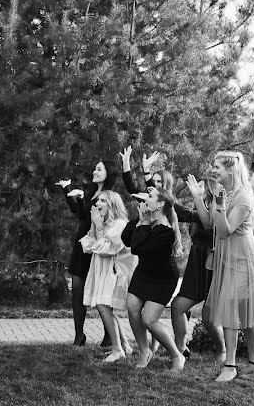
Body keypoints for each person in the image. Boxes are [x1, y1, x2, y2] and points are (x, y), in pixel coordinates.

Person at [199, 150, 254, 383]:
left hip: (243, 258)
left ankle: (230, 365)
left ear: (231, 170)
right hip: (228, 258)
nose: (213, 170)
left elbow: (225, 231)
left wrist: (219, 204)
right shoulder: (223, 191)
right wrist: (199, 198)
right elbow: (209, 224)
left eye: (217, 166)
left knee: (231, 308)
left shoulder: (244, 197)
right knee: (241, 310)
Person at [56, 159, 120, 348]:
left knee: (102, 294)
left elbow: (92, 216)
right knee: (77, 290)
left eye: (99, 169)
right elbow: (78, 212)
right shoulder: (91, 191)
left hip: (98, 247)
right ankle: (79, 336)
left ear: (109, 173)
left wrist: (82, 198)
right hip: (82, 247)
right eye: (95, 168)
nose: (94, 171)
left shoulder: (109, 195)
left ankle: (109, 336)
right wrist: (67, 190)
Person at [121, 187, 186, 372]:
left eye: (149, 197)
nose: (144, 199)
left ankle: (177, 355)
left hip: (163, 278)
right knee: (132, 307)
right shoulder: (148, 220)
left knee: (149, 319)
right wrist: (138, 219)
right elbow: (126, 239)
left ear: (160, 204)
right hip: (144, 272)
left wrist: (142, 223)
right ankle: (144, 351)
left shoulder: (165, 231)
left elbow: (136, 248)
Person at [80, 190, 136, 362]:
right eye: (98, 200)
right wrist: (94, 225)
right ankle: (124, 345)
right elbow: (88, 247)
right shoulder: (104, 223)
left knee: (104, 306)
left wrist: (98, 227)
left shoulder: (120, 224)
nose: (98, 204)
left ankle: (117, 349)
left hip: (112, 271)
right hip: (100, 269)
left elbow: (104, 251)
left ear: (112, 204)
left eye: (103, 201)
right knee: (105, 307)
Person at [174, 176, 226, 360]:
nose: (197, 188)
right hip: (196, 263)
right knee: (178, 306)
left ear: (210, 188)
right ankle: (180, 349)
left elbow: (210, 224)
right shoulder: (198, 207)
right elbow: (178, 211)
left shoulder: (218, 206)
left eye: (202, 185)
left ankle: (222, 351)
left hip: (213, 262)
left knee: (209, 317)